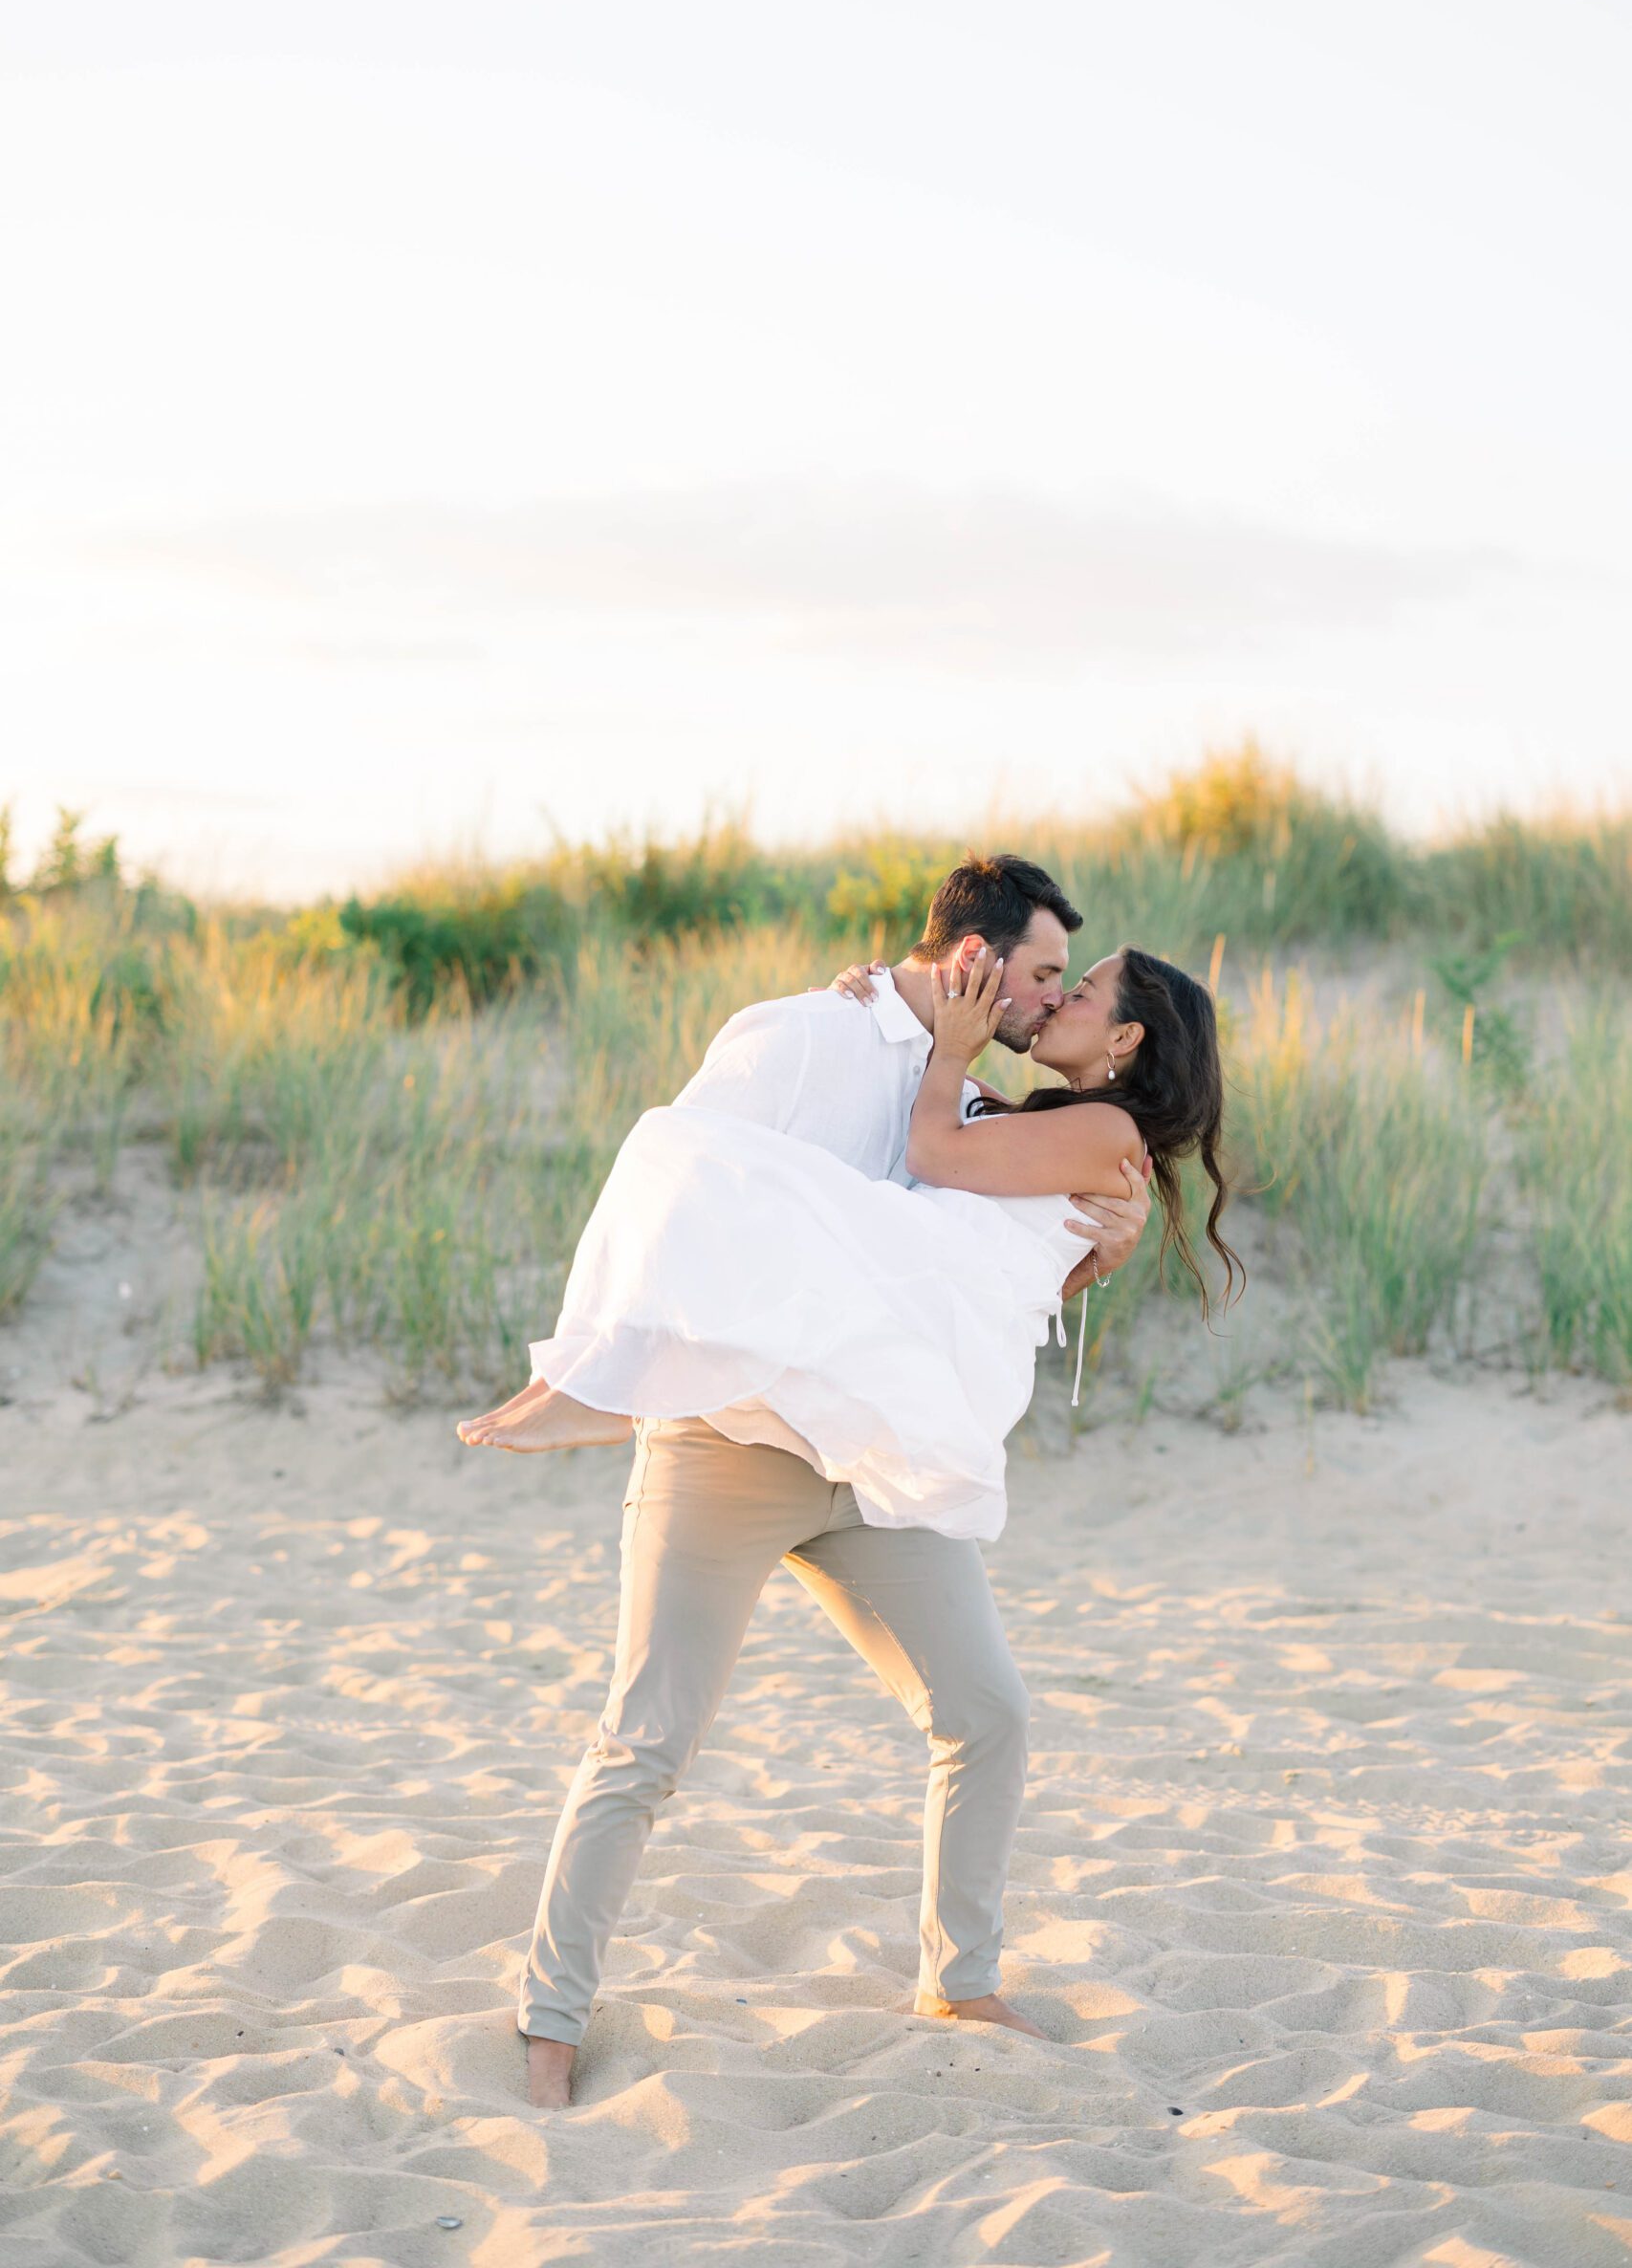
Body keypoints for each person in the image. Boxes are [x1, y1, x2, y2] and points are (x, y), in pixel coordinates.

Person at [458, 859, 1237, 2108]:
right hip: (734, 1449)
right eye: (1044, 975)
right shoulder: (804, 1037)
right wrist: (620, 1368)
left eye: (1066, 987)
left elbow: (980, 1266)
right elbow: (682, 1204)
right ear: (973, 960)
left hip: (879, 1467)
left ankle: (959, 1980)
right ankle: (550, 2027)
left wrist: (1103, 1248)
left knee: (987, 1712)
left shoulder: (984, 1093)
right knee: (647, 1742)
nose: (1048, 1003)